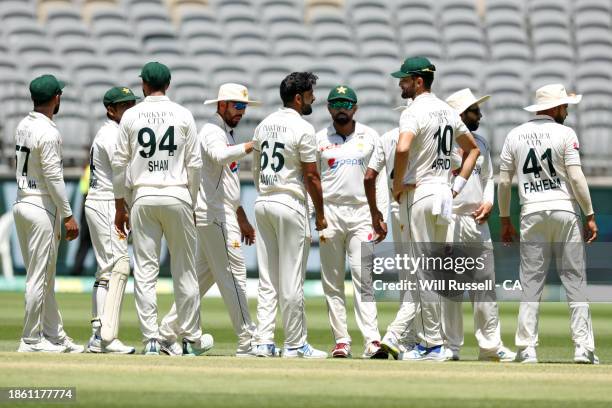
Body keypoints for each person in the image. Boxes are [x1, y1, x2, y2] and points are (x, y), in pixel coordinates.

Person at [380, 56, 480, 361]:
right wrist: (456, 187)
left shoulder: (414, 111)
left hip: (421, 193)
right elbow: (472, 148)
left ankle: (431, 345)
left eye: (404, 79)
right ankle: (436, 344)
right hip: (444, 194)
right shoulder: (448, 111)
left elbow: (402, 147)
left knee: (422, 271)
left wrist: (397, 183)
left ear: (418, 81)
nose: (400, 84)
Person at [112, 62, 211, 356]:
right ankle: (191, 339)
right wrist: (191, 200)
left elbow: (120, 163)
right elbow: (194, 164)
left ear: (144, 85)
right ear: (168, 84)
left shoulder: (130, 115)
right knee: (185, 272)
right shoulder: (182, 114)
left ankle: (152, 339)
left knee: (145, 272)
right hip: (177, 193)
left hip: (143, 195)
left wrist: (121, 203)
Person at [498, 83, 599, 364]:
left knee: (531, 283)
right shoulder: (565, 133)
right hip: (564, 209)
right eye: (565, 106)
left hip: (531, 211)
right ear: (553, 108)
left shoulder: (514, 134)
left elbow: (504, 182)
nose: (567, 111)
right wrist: (589, 214)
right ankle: (583, 348)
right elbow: (576, 178)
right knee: (575, 281)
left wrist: (505, 218)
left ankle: (526, 349)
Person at [159, 83, 258, 357]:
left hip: (219, 212)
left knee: (202, 279)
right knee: (233, 276)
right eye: (237, 106)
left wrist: (242, 217)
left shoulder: (225, 132)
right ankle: (248, 340)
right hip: (213, 214)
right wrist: (252, 145)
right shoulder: (211, 131)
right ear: (221, 105)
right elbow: (219, 156)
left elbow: (228, 182)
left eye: (244, 107)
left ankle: (166, 334)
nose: (241, 112)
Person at [251, 72, 328, 358]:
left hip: (263, 201)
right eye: (310, 94)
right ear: (298, 98)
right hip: (290, 202)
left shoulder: (264, 124)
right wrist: (320, 214)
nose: (314, 98)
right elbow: (312, 176)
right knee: (291, 279)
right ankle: (295, 344)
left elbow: (257, 168)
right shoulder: (303, 128)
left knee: (268, 278)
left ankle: (263, 341)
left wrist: (266, 191)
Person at [441, 88, 515, 362]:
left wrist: (489, 202)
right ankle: (451, 347)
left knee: (484, 286)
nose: (480, 115)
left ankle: (490, 346)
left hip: (477, 221)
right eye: (474, 111)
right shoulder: (442, 143)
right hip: (449, 221)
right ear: (461, 115)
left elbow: (488, 179)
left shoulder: (481, 143)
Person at [315, 85, 388, 359]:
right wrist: (318, 213)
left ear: (355, 108)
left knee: (363, 278)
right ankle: (342, 341)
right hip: (331, 213)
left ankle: (372, 341)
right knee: (332, 281)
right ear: (329, 108)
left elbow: (379, 179)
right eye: (336, 103)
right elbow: (311, 180)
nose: (341, 108)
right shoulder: (318, 138)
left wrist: (379, 215)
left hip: (361, 213)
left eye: (347, 103)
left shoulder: (370, 136)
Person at [14, 74, 82, 353]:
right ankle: (31, 339)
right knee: (39, 277)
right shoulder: (49, 132)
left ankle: (55, 335)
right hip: (42, 205)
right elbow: (54, 177)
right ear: (56, 98)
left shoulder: (23, 124)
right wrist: (67, 214)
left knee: (44, 276)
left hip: (21, 202)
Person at [85, 86, 140, 354]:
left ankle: (98, 333)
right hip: (107, 203)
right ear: (111, 110)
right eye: (124, 106)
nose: (130, 109)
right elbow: (123, 174)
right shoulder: (111, 135)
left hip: (102, 202)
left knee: (105, 270)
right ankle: (105, 337)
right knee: (118, 266)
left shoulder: (112, 132)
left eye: (132, 104)